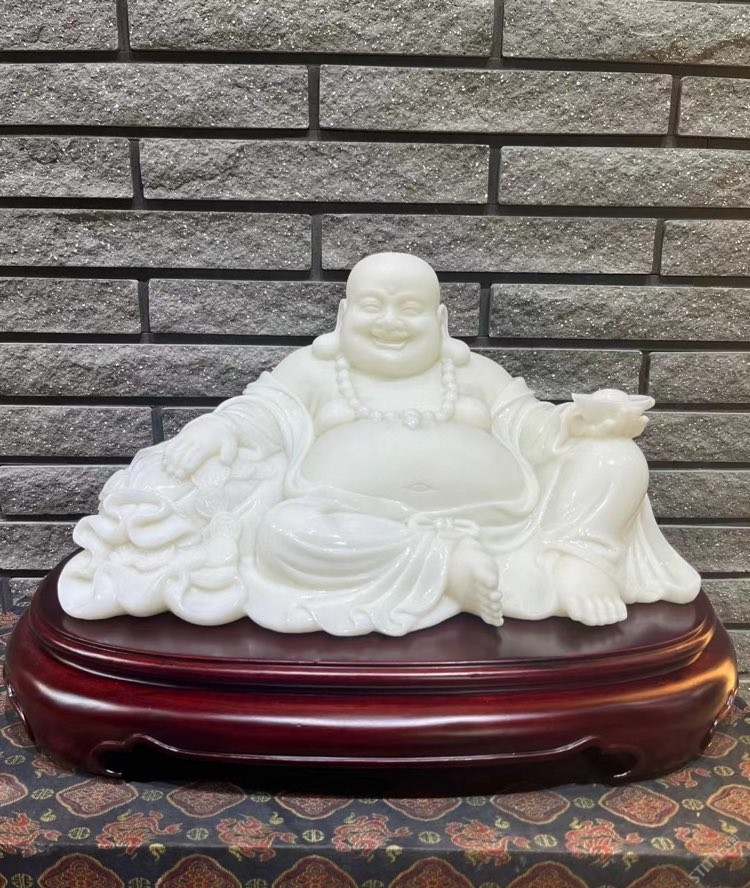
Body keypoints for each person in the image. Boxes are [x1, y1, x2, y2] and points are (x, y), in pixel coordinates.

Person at [58, 253, 700, 636]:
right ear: (343, 316)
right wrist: (217, 429)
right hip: (358, 529)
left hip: (507, 523)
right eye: (373, 305)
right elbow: (264, 412)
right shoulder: (315, 372)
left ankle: (575, 557)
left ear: (441, 321)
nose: (390, 321)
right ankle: (443, 567)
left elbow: (530, 427)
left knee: (615, 459)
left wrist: (580, 424)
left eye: (409, 308)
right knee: (282, 533)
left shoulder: (474, 373)